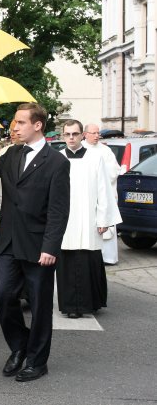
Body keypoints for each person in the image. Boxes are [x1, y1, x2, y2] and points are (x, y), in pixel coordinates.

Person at [0, 102, 70, 382]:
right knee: (3, 296)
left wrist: (50, 247)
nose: (14, 127)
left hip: (38, 246)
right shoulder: (11, 154)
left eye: (20, 122)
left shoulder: (57, 162)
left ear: (37, 125)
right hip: (8, 241)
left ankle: (37, 361)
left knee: (40, 305)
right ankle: (19, 347)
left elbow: (59, 209)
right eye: (15, 123)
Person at [58, 120, 122, 318]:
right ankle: (70, 306)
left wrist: (103, 219)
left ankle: (90, 302)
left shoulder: (95, 157)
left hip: (88, 217)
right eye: (67, 134)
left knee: (88, 260)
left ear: (81, 135)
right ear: (62, 136)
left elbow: (104, 189)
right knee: (67, 262)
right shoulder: (57, 158)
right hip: (66, 219)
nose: (71, 138)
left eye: (75, 134)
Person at [83, 123, 122, 265]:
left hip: (105, 193)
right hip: (87, 195)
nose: (96, 136)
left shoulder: (105, 150)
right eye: (93, 133)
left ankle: (108, 258)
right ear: (85, 134)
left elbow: (113, 172)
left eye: (97, 133)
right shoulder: (81, 149)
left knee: (106, 225)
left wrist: (99, 175)